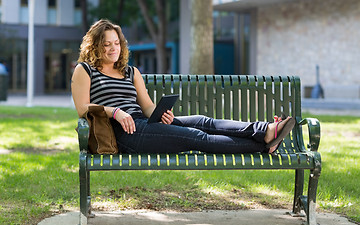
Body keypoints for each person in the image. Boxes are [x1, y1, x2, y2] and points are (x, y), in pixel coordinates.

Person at [71, 19, 295, 154]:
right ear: (95, 46)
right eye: (107, 44)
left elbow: (147, 107)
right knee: (196, 136)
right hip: (123, 134)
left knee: (201, 121)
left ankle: (263, 131)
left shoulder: (130, 71)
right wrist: (115, 112)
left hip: (143, 123)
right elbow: (83, 109)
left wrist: (161, 115)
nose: (113, 49)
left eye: (117, 43)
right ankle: (264, 143)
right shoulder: (85, 70)